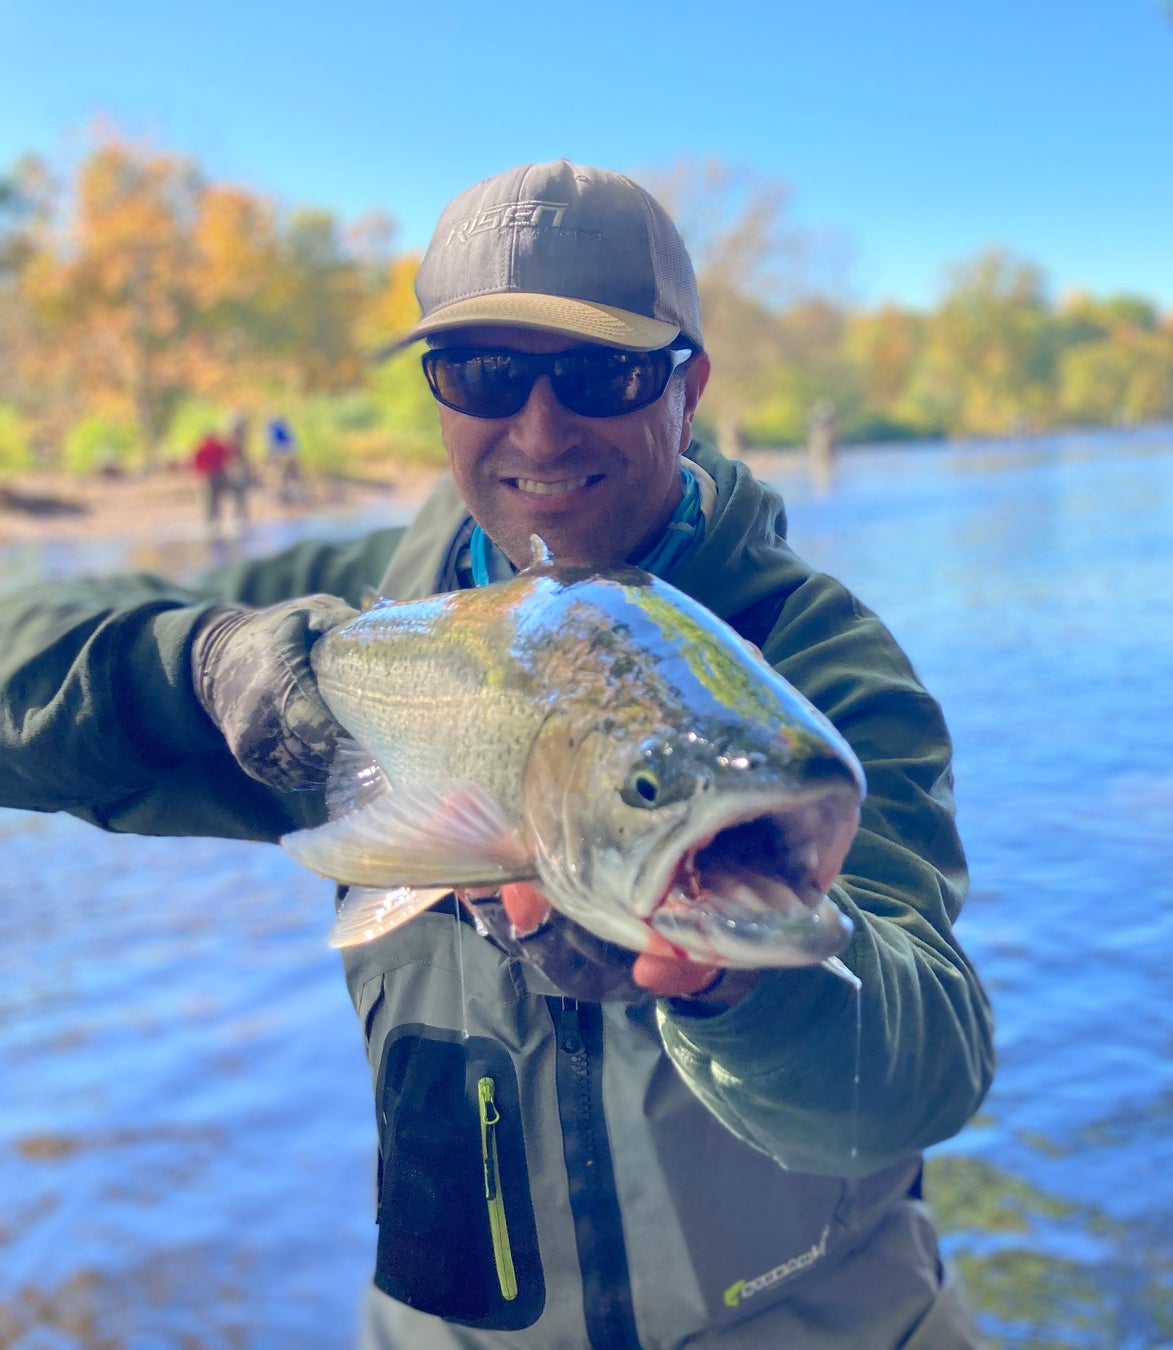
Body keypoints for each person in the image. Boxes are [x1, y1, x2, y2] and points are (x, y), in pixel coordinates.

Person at [0, 161, 993, 1349]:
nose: (540, 427)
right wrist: (197, 667)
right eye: (482, 372)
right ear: (437, 393)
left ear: (688, 390)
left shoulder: (815, 664)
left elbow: (925, 1069)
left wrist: (740, 987)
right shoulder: (362, 613)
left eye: (603, 372)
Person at [266, 414, 300, 503]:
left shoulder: (275, 431)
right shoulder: (283, 429)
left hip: (282, 455)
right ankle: (290, 494)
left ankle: (285, 495)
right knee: (290, 475)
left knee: (282, 476)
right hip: (288, 453)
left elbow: (273, 445)